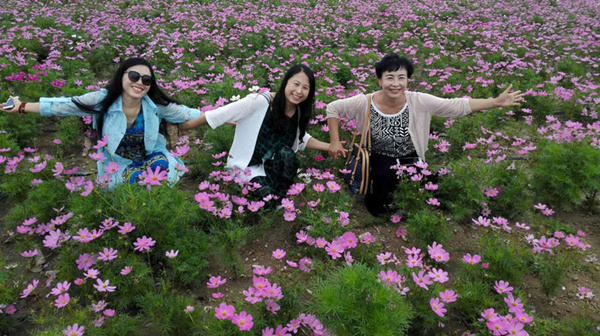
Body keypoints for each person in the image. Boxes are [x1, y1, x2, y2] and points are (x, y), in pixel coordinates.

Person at [326, 54, 525, 216]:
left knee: (432, 192)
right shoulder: (366, 101)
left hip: (411, 156)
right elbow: (332, 108)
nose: (396, 83)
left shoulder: (418, 101)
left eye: (401, 78)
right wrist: (335, 142)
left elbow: (455, 105)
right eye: (390, 77)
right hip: (379, 156)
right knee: (381, 201)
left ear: (408, 80)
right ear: (380, 80)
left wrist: (495, 102)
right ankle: (377, 197)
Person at [1, 57, 202, 188]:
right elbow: (65, 105)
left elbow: (186, 113)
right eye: (134, 76)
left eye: (146, 80)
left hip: (149, 154)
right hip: (118, 160)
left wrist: (222, 116)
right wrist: (22, 106)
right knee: (131, 184)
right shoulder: (102, 99)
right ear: (122, 76)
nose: (140, 82)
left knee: (161, 169)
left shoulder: (154, 105)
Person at [182, 64, 345, 198]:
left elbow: (300, 140)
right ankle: (274, 197)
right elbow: (220, 114)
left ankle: (279, 196)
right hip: (248, 167)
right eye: (296, 84)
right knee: (266, 196)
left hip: (274, 165)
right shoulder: (259, 102)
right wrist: (185, 126)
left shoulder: (299, 112)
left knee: (287, 155)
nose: (299, 91)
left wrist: (330, 146)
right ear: (286, 82)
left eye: (305, 88)